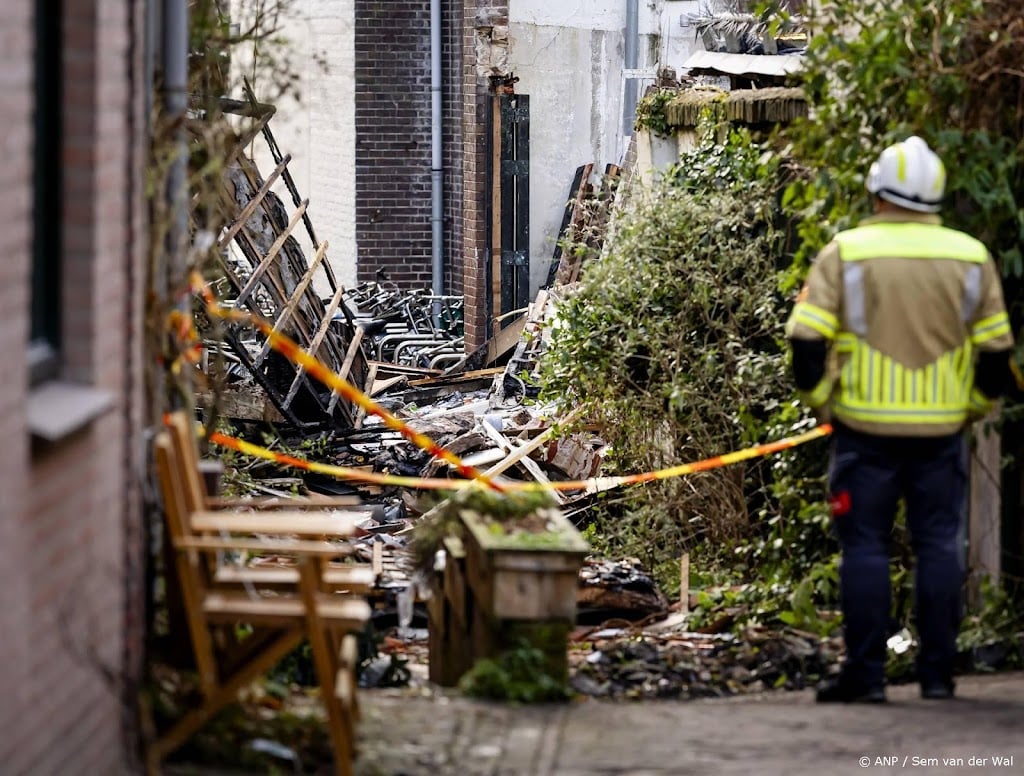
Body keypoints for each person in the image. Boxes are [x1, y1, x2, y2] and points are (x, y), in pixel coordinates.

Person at [786, 136, 1015, 703]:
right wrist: (973, 408)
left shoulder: (846, 252)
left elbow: (806, 341)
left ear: (877, 191)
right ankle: (937, 678)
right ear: (935, 193)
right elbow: (995, 354)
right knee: (940, 545)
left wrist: (821, 401)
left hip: (863, 430)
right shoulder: (970, 257)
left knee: (864, 547)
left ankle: (865, 679)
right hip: (942, 432)